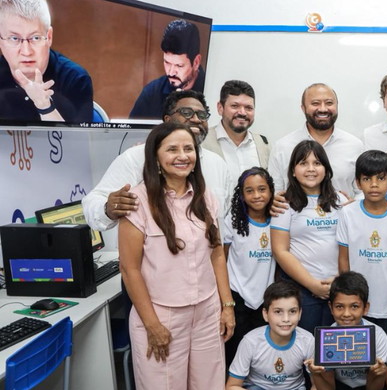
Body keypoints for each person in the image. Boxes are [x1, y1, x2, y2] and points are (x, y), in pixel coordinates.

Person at [118, 122, 234, 390]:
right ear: (155, 157)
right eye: (172, 149)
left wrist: (227, 305)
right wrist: (152, 325)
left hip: (207, 312)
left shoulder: (205, 197)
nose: (183, 156)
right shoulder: (138, 202)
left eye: (188, 149)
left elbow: (217, 253)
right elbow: (129, 270)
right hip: (161, 315)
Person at [83, 90, 233, 232]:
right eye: (186, 113)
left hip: (204, 258)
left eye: (202, 115)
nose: (196, 119)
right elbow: (92, 202)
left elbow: (224, 220)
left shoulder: (217, 164)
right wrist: (107, 209)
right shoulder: (136, 158)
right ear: (167, 120)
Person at [270, 140, 347, 332]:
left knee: (335, 350)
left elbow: (352, 244)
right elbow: (280, 251)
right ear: (293, 170)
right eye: (303, 163)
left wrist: (339, 279)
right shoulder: (284, 203)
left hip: (338, 289)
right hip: (300, 290)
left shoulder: (341, 200)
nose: (311, 169)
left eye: (317, 163)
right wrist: (313, 285)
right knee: (305, 350)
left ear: (326, 169)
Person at [337, 150, 387, 335]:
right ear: (357, 182)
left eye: (380, 178)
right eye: (366, 179)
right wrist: (349, 301)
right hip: (357, 306)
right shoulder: (347, 213)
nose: (374, 185)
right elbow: (343, 259)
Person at [226, 281, 319, 390]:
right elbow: (231, 388)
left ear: (300, 313)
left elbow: (318, 387)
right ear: (265, 314)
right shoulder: (251, 341)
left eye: (292, 311)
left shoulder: (308, 341)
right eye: (278, 312)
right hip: (257, 389)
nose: (286, 319)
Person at [306, 271, 387, 390]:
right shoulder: (326, 338)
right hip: (340, 388)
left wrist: (380, 373)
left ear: (366, 308)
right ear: (331, 308)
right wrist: (316, 374)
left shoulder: (377, 335)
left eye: (354, 306)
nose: (346, 314)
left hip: (368, 389)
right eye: (339, 307)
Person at [0, 0, 92, 122]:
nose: (26, 51)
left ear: (49, 37)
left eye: (35, 38)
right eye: (14, 38)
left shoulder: (75, 78)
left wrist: (45, 106)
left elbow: (78, 140)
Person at [269, 83, 364, 197]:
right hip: (294, 214)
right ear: (303, 108)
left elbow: (361, 191)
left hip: (343, 213)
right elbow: (275, 193)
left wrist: (354, 206)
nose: (323, 109)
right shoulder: (282, 147)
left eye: (329, 103)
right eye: (315, 103)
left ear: (337, 106)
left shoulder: (355, 145)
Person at [222, 167, 276, 366]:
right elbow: (222, 257)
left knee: (262, 353)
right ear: (242, 195)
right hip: (238, 297)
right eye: (249, 191)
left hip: (266, 299)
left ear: (271, 191)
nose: (256, 195)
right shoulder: (233, 221)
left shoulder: (278, 220)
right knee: (236, 352)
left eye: (262, 189)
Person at [130, 19, 205, 119]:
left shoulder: (211, 87)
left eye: (179, 65)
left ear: (196, 62)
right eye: (167, 63)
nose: (171, 72)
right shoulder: (152, 92)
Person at [202, 80, 270, 179]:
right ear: (220, 108)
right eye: (235, 106)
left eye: (248, 108)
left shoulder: (264, 144)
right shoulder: (202, 142)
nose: (242, 113)